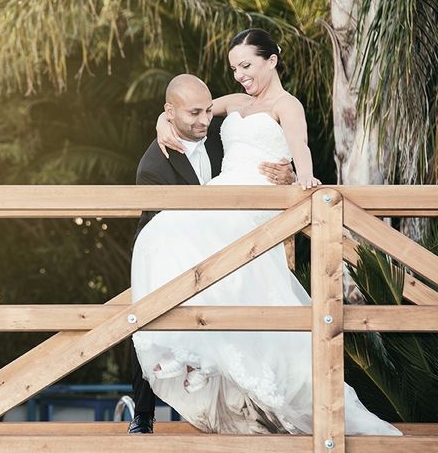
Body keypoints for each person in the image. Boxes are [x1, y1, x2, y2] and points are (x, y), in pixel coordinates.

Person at [130, 28, 401, 435]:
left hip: (256, 203)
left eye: (246, 65)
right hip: (223, 193)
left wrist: (303, 180)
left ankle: (212, 360)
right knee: (161, 235)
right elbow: (193, 109)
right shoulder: (235, 102)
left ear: (271, 60)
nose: (239, 74)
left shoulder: (287, 105)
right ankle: (193, 353)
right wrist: (160, 120)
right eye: (234, 67)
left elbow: (302, 148)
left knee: (202, 249)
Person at [128, 72, 295, 434]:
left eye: (207, 111)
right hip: (175, 256)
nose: (204, 120)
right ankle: (143, 414)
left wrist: (288, 173)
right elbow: (165, 229)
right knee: (147, 314)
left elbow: (255, 162)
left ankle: (254, 407)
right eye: (193, 114)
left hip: (236, 248)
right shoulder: (154, 166)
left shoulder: (224, 136)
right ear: (169, 112)